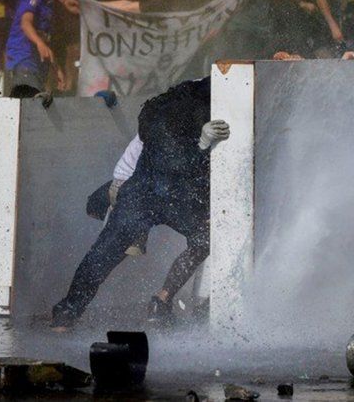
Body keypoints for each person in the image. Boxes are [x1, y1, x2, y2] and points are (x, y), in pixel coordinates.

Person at [50, 77, 230, 330]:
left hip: (168, 196)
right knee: (107, 252)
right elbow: (174, 165)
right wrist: (201, 143)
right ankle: (68, 311)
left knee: (206, 238)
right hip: (142, 194)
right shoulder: (167, 117)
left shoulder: (186, 102)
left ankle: (162, 298)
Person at [4, 0, 65, 93]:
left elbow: (45, 43)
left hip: (37, 62)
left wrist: (56, 69)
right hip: (23, 57)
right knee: (29, 100)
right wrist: (39, 42)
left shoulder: (47, 5)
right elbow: (25, 23)